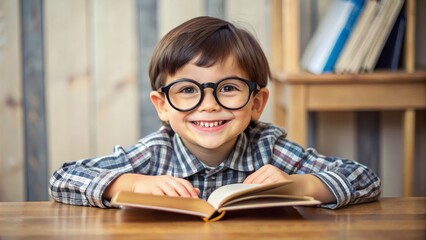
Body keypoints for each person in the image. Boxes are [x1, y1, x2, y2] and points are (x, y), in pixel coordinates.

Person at [49, 16, 381, 209]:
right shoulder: (155, 153)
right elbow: (62, 178)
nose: (209, 105)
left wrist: (300, 186)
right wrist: (129, 182)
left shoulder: (269, 148)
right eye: (188, 90)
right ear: (162, 105)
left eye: (228, 88)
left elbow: (365, 178)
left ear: (256, 104)